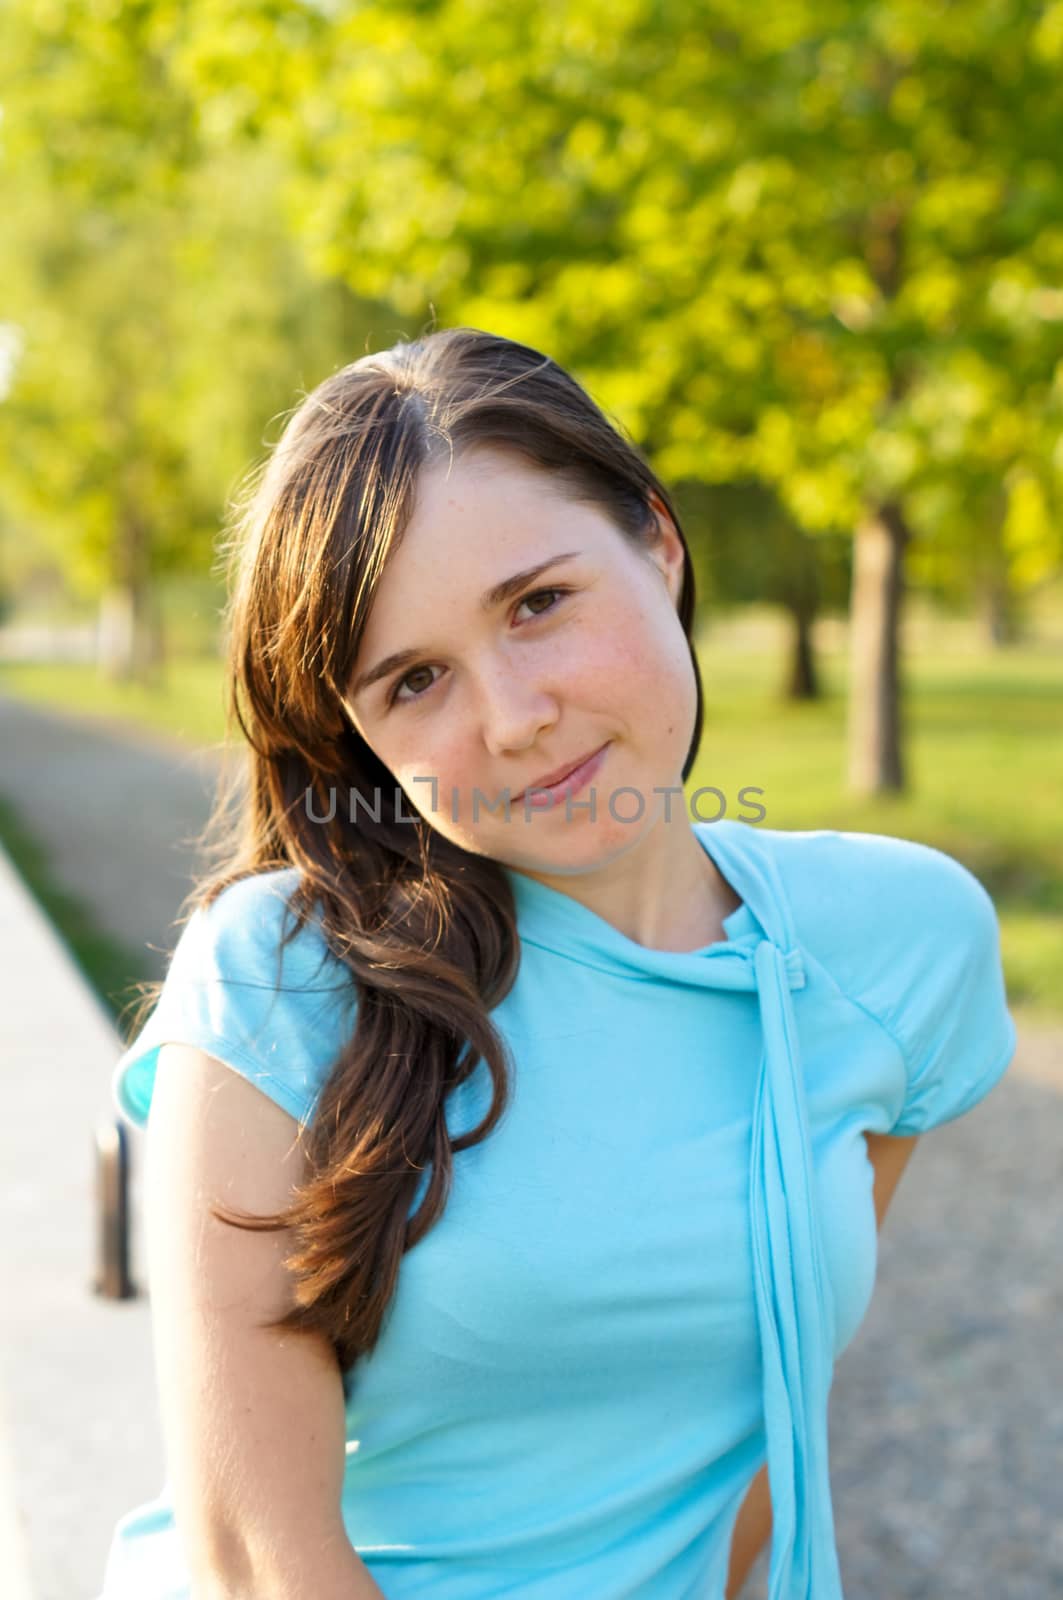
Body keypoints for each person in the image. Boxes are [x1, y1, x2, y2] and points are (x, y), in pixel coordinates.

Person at [97, 326, 1017, 1600]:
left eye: (538, 603)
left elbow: (760, 1411)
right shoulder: (277, 977)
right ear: (360, 738)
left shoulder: (896, 943)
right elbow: (258, 1562)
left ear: (656, 539)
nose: (515, 719)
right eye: (416, 679)